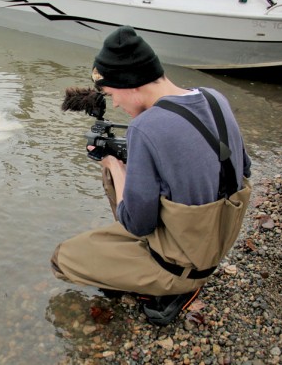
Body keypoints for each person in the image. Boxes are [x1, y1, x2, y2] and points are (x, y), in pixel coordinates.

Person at [51, 26, 252, 326]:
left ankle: (165, 289)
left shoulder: (145, 127)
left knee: (62, 259)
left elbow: (137, 224)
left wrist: (117, 168)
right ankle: (165, 274)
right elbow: (244, 168)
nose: (115, 104)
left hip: (182, 267)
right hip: (216, 246)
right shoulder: (215, 99)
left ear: (130, 83)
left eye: (111, 94)